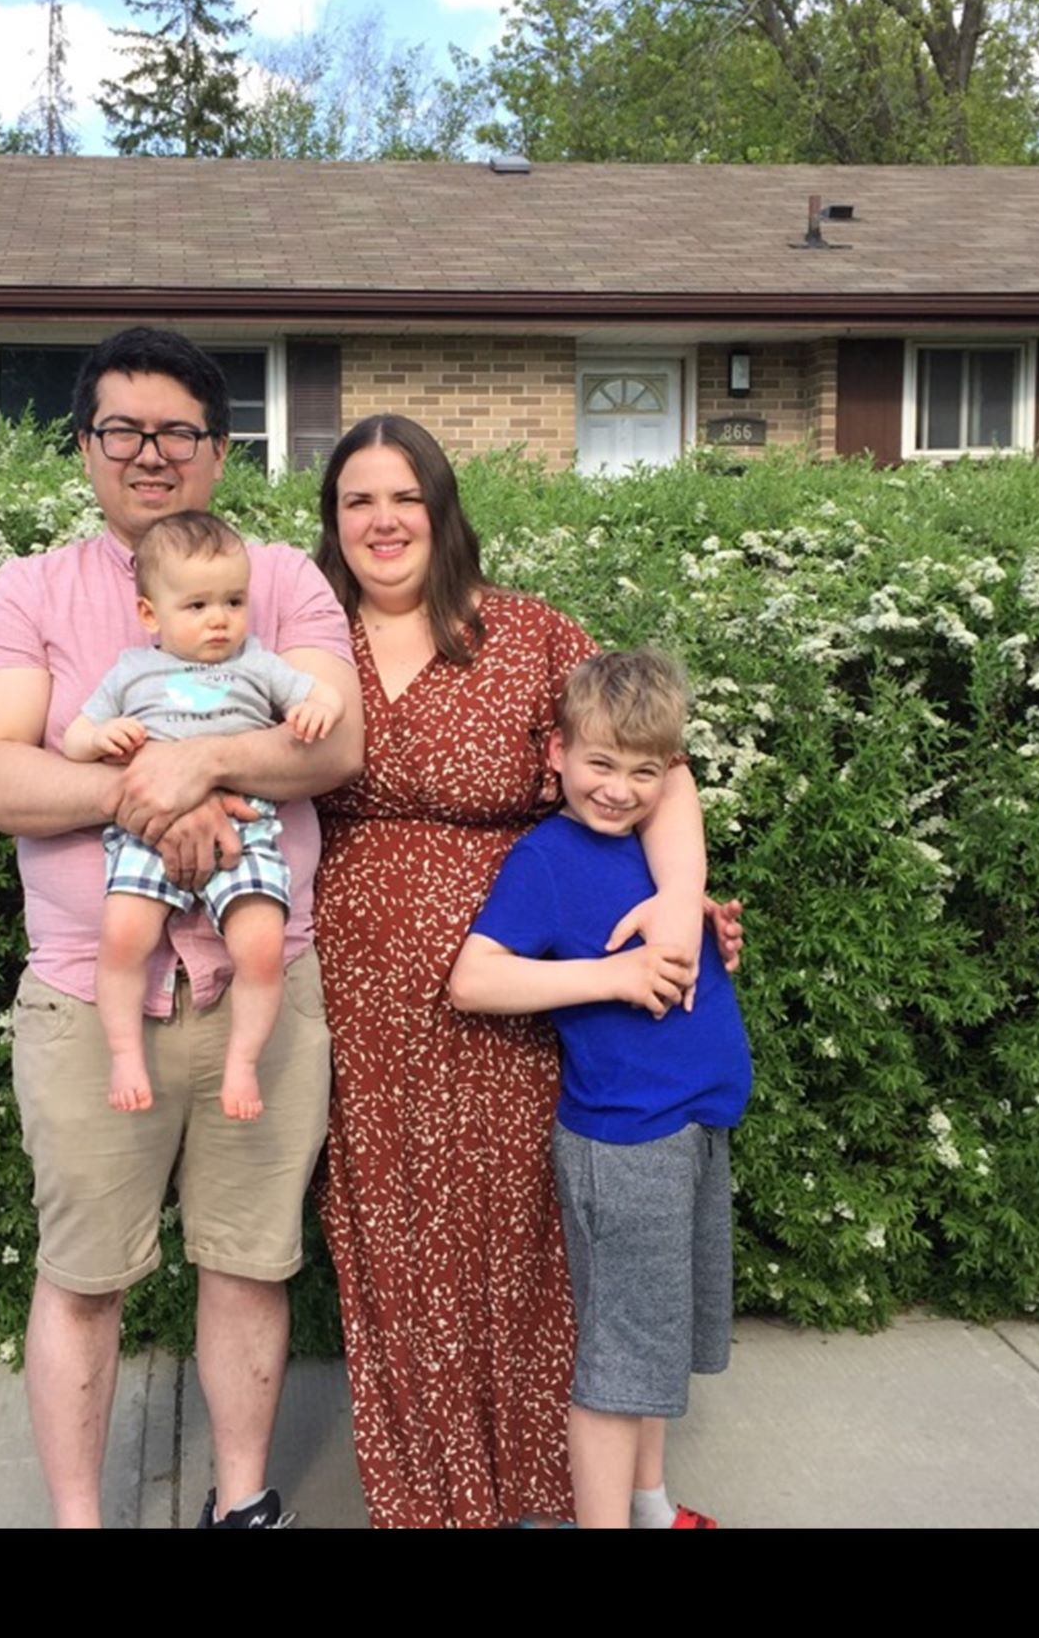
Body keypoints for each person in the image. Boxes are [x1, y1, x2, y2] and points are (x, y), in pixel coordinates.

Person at [0, 329, 363, 1529]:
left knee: (249, 1260)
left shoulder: (282, 577)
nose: (149, 454)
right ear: (83, 447)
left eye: (176, 432)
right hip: (95, 993)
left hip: (260, 983)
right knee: (84, 1276)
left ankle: (242, 1505)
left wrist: (192, 766)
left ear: (219, 451)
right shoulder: (30, 591)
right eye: (121, 430)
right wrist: (157, 791)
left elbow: (332, 746)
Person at [308, 414, 740, 1528]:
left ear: (443, 508)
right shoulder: (308, 639)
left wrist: (678, 910)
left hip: (528, 991)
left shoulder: (531, 634)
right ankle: (434, 1496)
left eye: (405, 496)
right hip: (366, 1002)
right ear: (334, 520)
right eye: (359, 500)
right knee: (401, 1238)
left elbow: (657, 765)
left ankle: (555, 1489)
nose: (384, 520)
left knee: (531, 1235)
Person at [449, 649, 752, 1530]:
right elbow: (475, 980)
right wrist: (611, 978)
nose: (619, 790)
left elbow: (680, 942)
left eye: (644, 771)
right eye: (601, 764)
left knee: (653, 1347)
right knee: (619, 1364)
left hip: (691, 1121)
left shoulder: (665, 854)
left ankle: (651, 1506)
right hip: (622, 1141)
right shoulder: (547, 858)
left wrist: (706, 932)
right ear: (556, 754)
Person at [62, 511, 345, 1122]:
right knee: (122, 939)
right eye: (196, 606)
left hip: (247, 831)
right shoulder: (132, 671)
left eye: (234, 601)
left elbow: (320, 698)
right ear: (149, 614)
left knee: (263, 948)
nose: (220, 619)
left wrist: (315, 711)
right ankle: (124, 1053)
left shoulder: (258, 662)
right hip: (146, 831)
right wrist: (103, 737)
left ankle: (242, 1062)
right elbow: (75, 738)